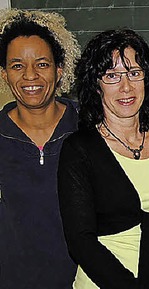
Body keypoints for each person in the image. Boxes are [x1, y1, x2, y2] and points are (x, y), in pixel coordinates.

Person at [57, 29, 149, 289]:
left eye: (134, 73)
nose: (126, 87)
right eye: (112, 76)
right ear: (96, 85)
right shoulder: (79, 150)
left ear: (147, 79)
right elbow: (81, 241)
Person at [0, 9, 80, 288]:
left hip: (87, 281)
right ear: (5, 74)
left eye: (42, 64)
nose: (30, 76)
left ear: (59, 71)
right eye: (17, 66)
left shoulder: (92, 128)